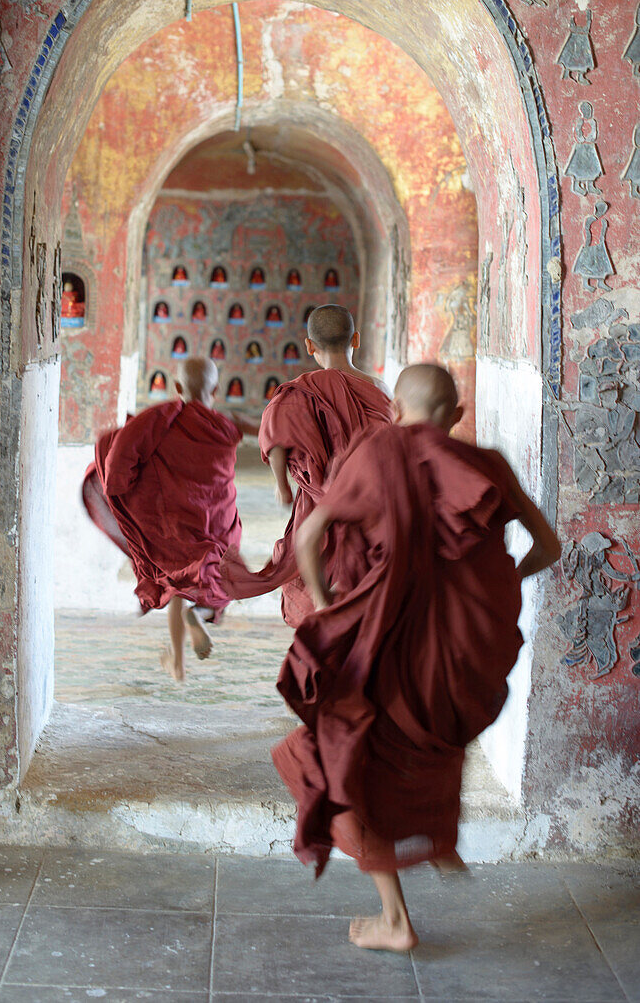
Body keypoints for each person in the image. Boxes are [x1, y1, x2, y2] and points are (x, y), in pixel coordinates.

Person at [274, 363, 561, 952]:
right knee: (432, 742)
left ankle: (396, 919)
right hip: (457, 651)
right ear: (455, 417)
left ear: (397, 411)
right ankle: (436, 840)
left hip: (385, 641)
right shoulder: (488, 466)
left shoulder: (380, 453)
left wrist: (333, 614)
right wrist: (501, 582)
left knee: (341, 754)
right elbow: (547, 546)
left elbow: (309, 537)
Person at [82, 358, 258, 681]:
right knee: (225, 578)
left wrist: (124, 487)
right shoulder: (228, 421)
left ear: (177, 388)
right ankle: (200, 616)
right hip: (218, 518)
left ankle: (177, 661)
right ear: (217, 389)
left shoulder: (162, 421)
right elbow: (267, 429)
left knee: (177, 582)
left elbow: (122, 451)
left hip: (176, 522)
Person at [221, 304, 392, 627]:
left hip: (317, 501)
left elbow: (275, 438)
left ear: (309, 346)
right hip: (370, 501)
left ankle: (321, 628)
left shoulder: (298, 391)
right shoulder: (378, 390)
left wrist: (281, 485)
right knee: (363, 575)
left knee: (312, 567)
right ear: (355, 340)